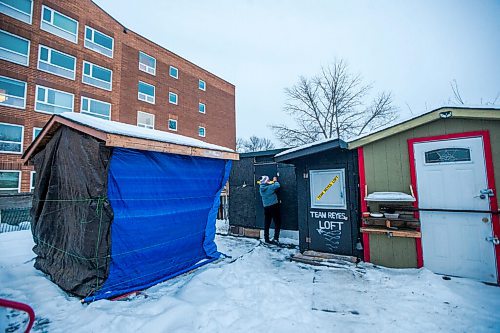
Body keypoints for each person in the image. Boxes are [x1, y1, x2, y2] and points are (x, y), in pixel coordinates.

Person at [258, 175, 282, 244]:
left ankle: (266, 239)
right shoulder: (270, 188)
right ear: (265, 181)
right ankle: (276, 238)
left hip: (266, 207)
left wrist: (269, 182)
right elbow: (277, 185)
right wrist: (275, 180)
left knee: (267, 223)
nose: (269, 181)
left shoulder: (261, 188)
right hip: (274, 206)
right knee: (277, 222)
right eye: (268, 180)